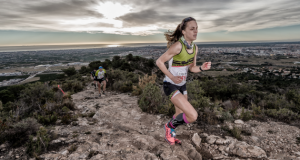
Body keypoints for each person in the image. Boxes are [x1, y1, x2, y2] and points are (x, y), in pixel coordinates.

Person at [156, 17, 211, 145]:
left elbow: (192, 68)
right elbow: (159, 62)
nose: (195, 31)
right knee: (192, 115)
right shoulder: (177, 47)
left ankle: (171, 133)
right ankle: (169, 127)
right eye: (192, 29)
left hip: (182, 85)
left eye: (196, 28)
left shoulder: (194, 48)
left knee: (179, 114)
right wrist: (172, 77)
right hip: (170, 84)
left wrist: (202, 68)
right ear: (183, 31)